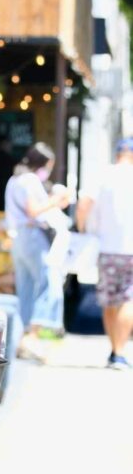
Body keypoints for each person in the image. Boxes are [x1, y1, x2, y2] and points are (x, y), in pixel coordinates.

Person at [4, 142, 71, 356]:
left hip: (18, 237)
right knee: (47, 282)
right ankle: (33, 336)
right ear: (43, 163)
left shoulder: (14, 179)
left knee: (25, 286)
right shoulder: (30, 180)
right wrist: (56, 200)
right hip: (33, 235)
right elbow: (34, 210)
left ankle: (21, 337)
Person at [76, 136, 133, 369]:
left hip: (106, 248)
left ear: (118, 153)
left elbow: (84, 204)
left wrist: (83, 228)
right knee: (128, 300)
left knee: (109, 301)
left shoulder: (104, 174)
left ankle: (114, 351)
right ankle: (120, 353)